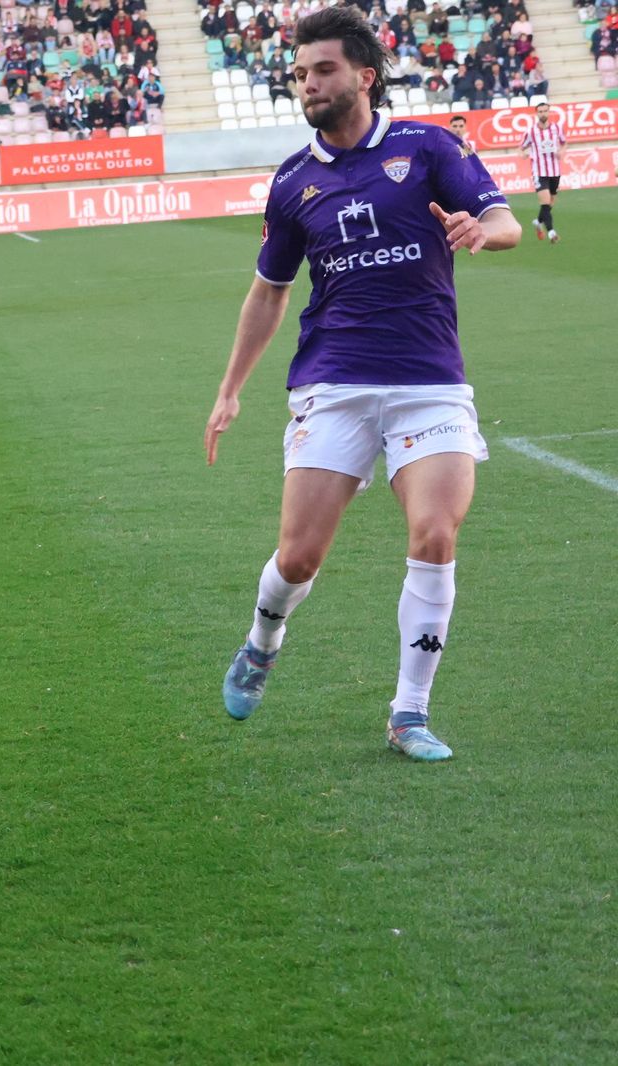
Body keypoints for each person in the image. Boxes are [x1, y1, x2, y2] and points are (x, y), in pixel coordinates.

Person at [203, 6, 520, 763]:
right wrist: (230, 389)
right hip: (333, 384)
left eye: (324, 70)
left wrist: (485, 231)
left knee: (436, 534)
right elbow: (269, 292)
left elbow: (504, 219)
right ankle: (262, 640)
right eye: (302, 73)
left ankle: (409, 712)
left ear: (364, 75)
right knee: (299, 558)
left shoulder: (427, 147)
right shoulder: (292, 182)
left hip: (429, 382)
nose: (308, 84)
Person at [520, 101, 566, 243]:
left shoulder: (557, 128)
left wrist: (561, 152)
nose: (543, 113)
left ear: (549, 112)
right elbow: (521, 148)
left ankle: (538, 222)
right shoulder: (531, 131)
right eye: (540, 111)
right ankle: (552, 233)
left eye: (545, 111)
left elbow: (564, 142)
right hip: (539, 171)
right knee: (545, 203)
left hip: (555, 170)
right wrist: (525, 154)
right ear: (536, 113)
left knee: (551, 202)